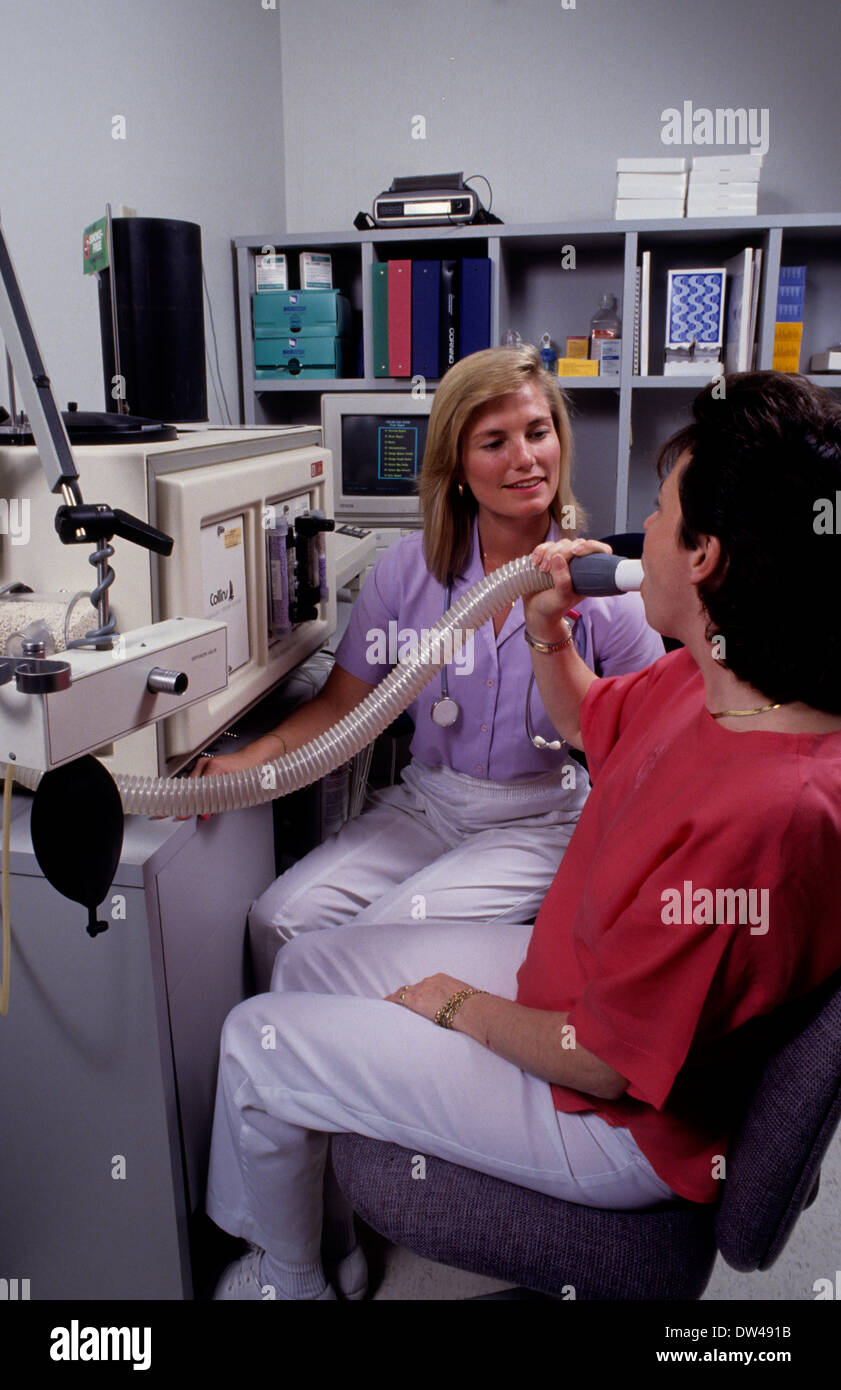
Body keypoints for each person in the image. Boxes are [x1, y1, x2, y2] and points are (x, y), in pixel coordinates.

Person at [205, 370, 841, 1300]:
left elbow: (607, 1063)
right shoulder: (719, 676)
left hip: (610, 1118)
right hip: (571, 978)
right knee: (301, 962)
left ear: (701, 555)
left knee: (254, 1042)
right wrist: (549, 635)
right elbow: (595, 727)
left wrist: (460, 1007)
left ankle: (288, 1276)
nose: (639, 533)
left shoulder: (763, 817)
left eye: (658, 512)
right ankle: (316, 1228)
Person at [193, 345, 663, 990]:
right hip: (428, 801)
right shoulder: (407, 571)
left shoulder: (603, 589)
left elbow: (648, 750)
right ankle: (295, 1069)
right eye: (494, 441)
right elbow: (341, 709)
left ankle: (357, 1072)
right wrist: (246, 764)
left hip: (537, 819)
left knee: (370, 945)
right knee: (280, 922)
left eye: (538, 432)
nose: (525, 459)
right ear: (458, 467)